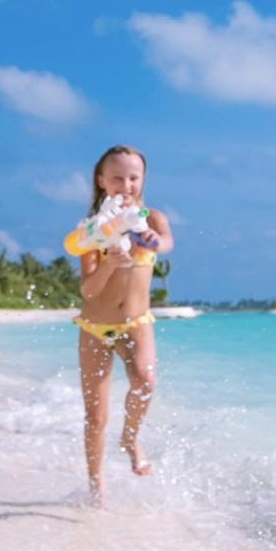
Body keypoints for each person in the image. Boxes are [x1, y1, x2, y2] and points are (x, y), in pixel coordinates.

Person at [73, 144, 173, 505]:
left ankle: (131, 438)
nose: (126, 184)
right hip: (96, 328)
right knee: (96, 414)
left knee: (145, 380)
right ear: (101, 181)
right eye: (117, 177)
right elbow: (88, 288)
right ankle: (96, 485)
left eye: (134, 177)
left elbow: (166, 243)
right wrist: (111, 263)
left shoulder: (154, 219)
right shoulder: (91, 232)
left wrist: (151, 239)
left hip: (136, 323)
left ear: (143, 179)